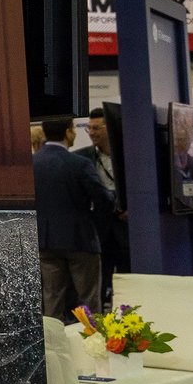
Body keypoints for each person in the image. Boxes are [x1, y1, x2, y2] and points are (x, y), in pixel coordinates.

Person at [34, 114, 112, 323]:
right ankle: (91, 346)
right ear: (68, 132)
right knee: (89, 301)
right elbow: (104, 199)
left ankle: (55, 351)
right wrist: (92, 222)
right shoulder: (80, 164)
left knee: (52, 300)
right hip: (81, 240)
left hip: (45, 241)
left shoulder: (31, 164)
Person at [76, 111, 128, 300]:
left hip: (126, 228)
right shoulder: (82, 158)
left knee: (128, 279)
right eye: (89, 128)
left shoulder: (129, 157)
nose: (91, 132)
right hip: (98, 230)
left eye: (96, 128)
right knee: (98, 282)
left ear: (110, 128)